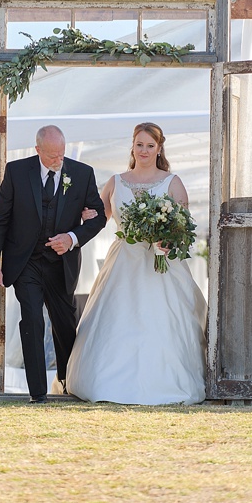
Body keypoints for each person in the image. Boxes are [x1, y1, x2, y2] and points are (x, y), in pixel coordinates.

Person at [66, 122, 207, 405]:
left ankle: (163, 382)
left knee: (160, 320)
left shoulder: (172, 182)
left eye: (150, 146)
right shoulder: (116, 182)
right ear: (132, 146)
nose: (144, 150)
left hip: (160, 262)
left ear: (159, 148)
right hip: (123, 263)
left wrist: (167, 241)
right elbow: (99, 219)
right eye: (139, 144)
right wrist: (81, 215)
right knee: (117, 318)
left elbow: (183, 226)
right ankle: (107, 383)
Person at [0, 125, 106, 403]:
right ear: (38, 150)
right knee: (32, 319)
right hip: (26, 262)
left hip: (62, 264)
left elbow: (99, 218)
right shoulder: (16, 172)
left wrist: (73, 237)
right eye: (51, 156)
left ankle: (67, 380)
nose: (58, 160)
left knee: (64, 324)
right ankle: (37, 392)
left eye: (61, 154)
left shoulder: (82, 173)